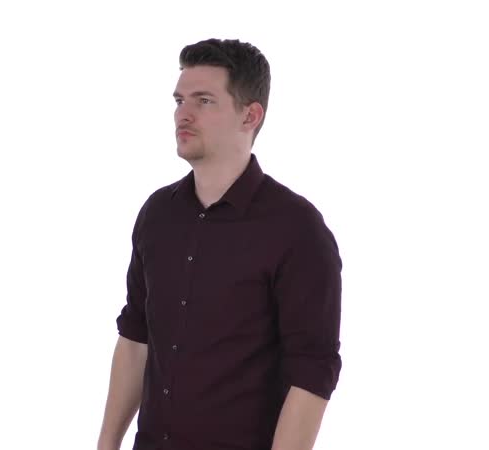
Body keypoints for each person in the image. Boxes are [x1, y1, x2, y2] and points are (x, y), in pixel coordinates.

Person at [97, 38, 343, 450]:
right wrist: (106, 444)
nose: (183, 114)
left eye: (204, 101)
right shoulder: (157, 214)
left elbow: (312, 372)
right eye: (179, 100)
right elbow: (136, 336)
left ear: (250, 115)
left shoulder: (298, 230)